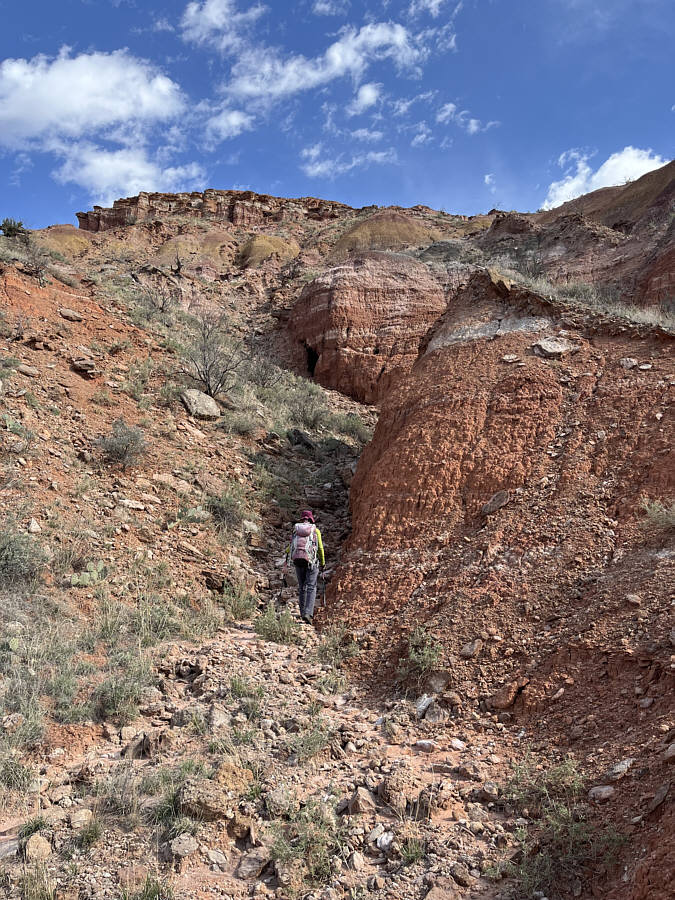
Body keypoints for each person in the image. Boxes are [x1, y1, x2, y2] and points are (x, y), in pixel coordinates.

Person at [283, 509, 325, 624]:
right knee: (311, 587)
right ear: (311, 519)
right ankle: (308, 613)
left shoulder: (296, 530)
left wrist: (287, 559)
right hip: (312, 562)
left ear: (302, 519)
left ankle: (302, 613)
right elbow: (320, 548)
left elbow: (290, 546)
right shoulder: (315, 530)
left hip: (298, 561)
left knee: (302, 587)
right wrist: (323, 562)